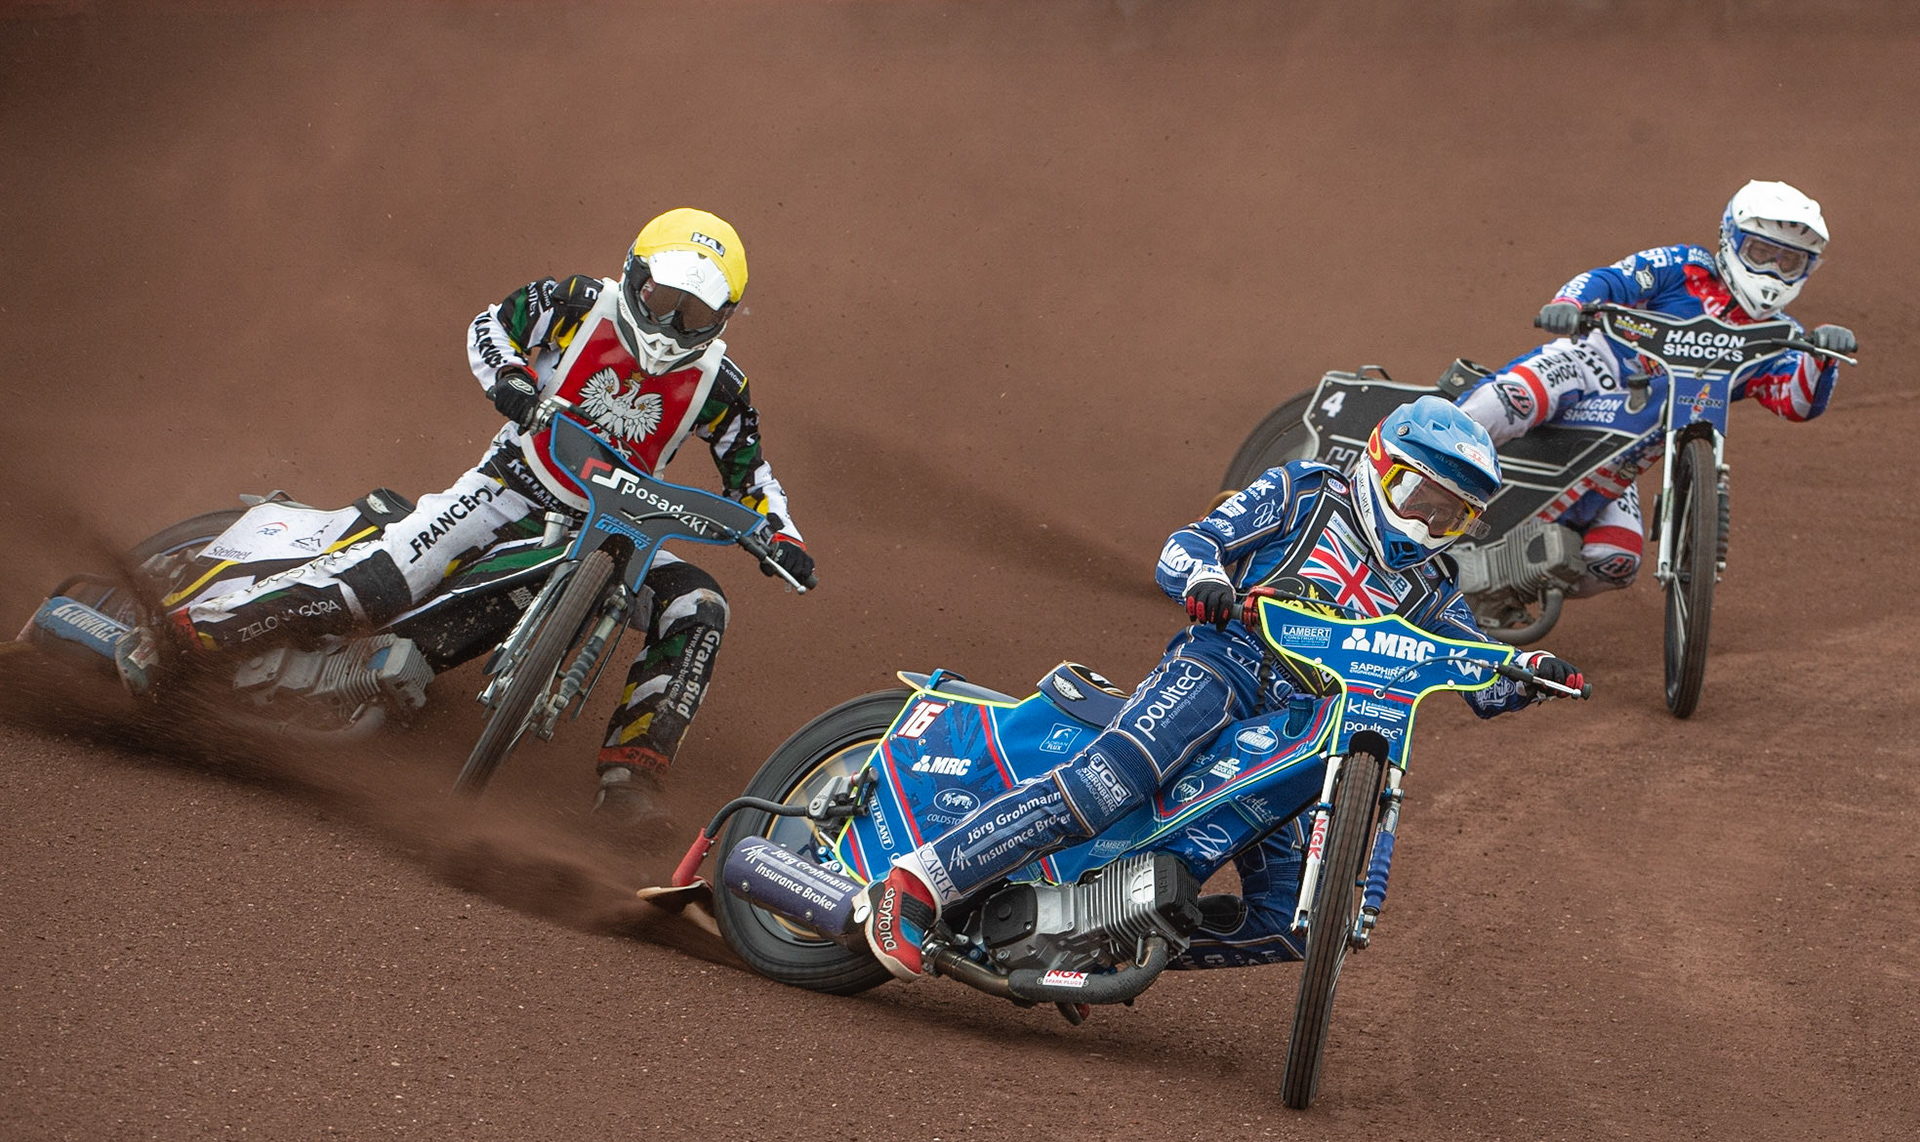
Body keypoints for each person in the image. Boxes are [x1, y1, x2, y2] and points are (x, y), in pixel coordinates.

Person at [127, 208, 814, 829]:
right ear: (634, 276)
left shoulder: (722, 386)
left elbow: (749, 473)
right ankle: (192, 637)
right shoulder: (579, 302)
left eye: (693, 315)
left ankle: (631, 782)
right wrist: (510, 381)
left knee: (699, 603)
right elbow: (492, 325)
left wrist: (780, 534)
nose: (669, 327)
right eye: (663, 301)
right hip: (508, 488)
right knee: (378, 582)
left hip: (618, 528)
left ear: (724, 318)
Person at [860, 396, 1584, 979]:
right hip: (1224, 666)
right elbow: (1188, 545)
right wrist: (1207, 580)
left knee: (1289, 921)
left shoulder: (1432, 586)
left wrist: (1528, 674)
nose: (1429, 523)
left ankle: (1092, 940)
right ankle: (918, 884)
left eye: (1450, 514)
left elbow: (1482, 671)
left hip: (1304, 727)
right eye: (1420, 496)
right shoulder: (1303, 492)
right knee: (1111, 781)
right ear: (1379, 465)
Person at [1456, 179, 1857, 596]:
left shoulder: (1779, 335)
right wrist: (1570, 303)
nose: (1773, 270)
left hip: (1627, 452)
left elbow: (1797, 402)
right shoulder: (1684, 266)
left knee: (1617, 560)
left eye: (1788, 261)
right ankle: (1403, 472)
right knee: (1514, 400)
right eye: (1761, 253)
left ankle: (1505, 593)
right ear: (1731, 240)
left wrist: (1821, 357)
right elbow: (1614, 280)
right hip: (1593, 366)